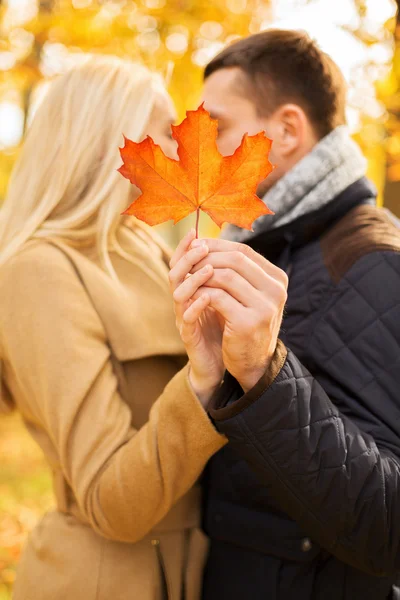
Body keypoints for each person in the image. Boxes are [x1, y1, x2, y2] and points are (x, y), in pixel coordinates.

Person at [169, 29, 400, 600]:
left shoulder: (373, 264)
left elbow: (389, 528)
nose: (200, 151)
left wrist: (262, 375)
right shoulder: (265, 249)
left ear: (288, 130)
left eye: (218, 128)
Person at [0, 56, 227, 600]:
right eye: (163, 136)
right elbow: (110, 502)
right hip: (106, 579)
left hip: (186, 568)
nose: (180, 152)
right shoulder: (40, 269)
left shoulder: (148, 248)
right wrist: (202, 382)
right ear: (107, 144)